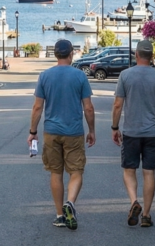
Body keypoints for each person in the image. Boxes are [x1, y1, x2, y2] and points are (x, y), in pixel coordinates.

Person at [28, 39, 96, 231]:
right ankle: (70, 203)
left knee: (55, 172)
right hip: (73, 131)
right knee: (76, 171)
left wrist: (33, 132)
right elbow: (88, 108)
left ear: (56, 54)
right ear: (71, 54)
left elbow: (37, 107)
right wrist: (91, 130)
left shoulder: (45, 76)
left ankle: (60, 215)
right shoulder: (80, 76)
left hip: (51, 131)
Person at [111, 40, 155, 228]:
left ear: (136, 55)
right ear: (152, 56)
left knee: (129, 170)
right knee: (149, 172)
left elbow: (118, 104)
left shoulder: (125, 75)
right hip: (153, 132)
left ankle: (133, 202)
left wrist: (115, 127)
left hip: (131, 131)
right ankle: (146, 215)